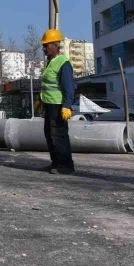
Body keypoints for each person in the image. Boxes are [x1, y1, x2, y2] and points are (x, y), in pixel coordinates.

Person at [39, 28, 75, 175]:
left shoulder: (63, 63)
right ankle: (56, 162)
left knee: (59, 135)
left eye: (46, 45)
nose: (44, 48)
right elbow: (47, 84)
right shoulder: (50, 62)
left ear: (55, 45)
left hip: (58, 106)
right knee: (49, 134)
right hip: (49, 105)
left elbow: (69, 87)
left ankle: (65, 166)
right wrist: (39, 101)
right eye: (44, 46)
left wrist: (67, 106)